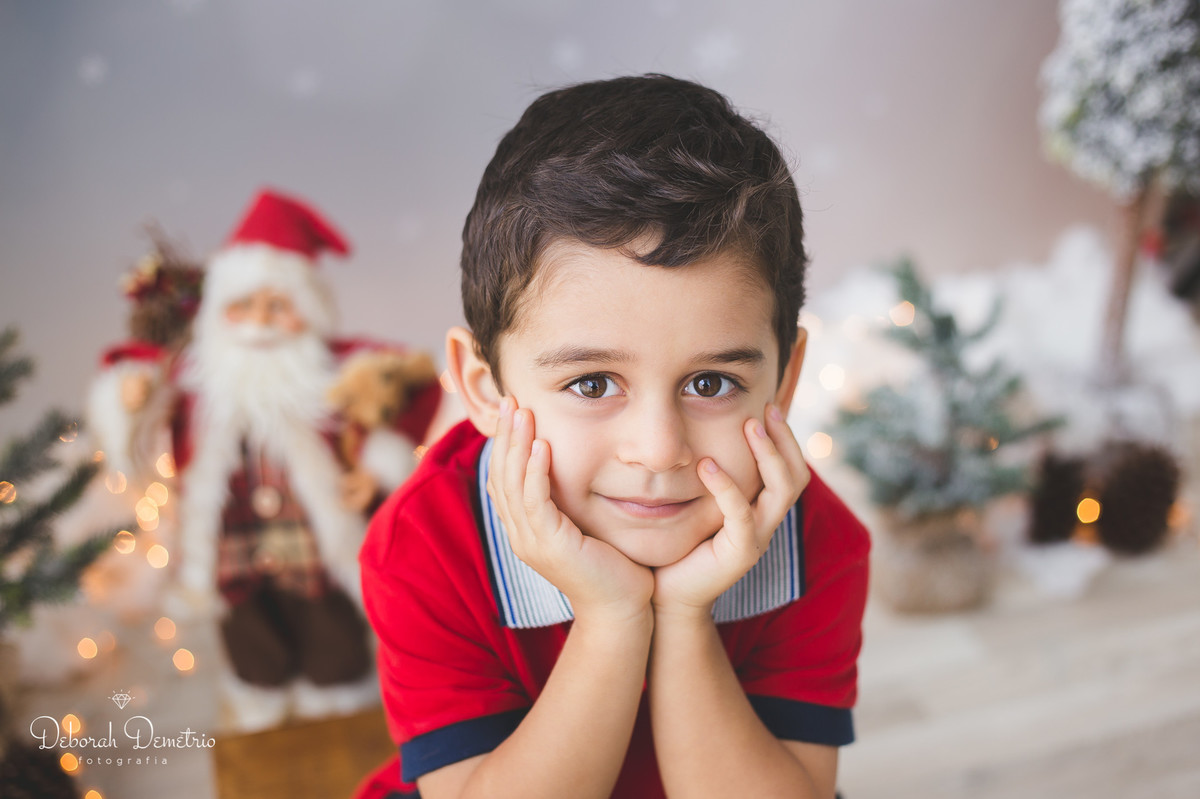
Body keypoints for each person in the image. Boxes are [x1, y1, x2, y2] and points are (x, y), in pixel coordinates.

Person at [355, 75, 870, 799]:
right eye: (593, 384)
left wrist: (684, 614)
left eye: (711, 382)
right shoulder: (425, 545)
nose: (659, 450)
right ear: (483, 387)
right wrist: (612, 616)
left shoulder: (819, 542)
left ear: (782, 383)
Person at [92, 189, 441, 730]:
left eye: (277, 307)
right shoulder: (195, 377)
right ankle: (261, 705)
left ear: (306, 310)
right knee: (251, 640)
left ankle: (341, 709)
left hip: (315, 549)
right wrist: (129, 394)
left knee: (332, 639)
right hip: (234, 548)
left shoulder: (336, 369)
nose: (259, 322)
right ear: (218, 313)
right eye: (243, 306)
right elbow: (131, 372)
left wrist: (376, 466)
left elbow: (414, 384)